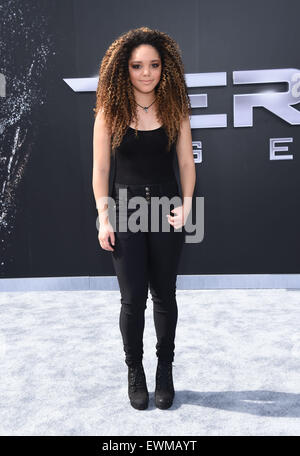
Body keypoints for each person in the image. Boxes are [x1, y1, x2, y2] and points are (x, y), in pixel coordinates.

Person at [92, 27, 196, 410]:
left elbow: (186, 162)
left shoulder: (176, 108)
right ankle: (134, 371)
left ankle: (164, 371)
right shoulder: (109, 111)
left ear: (164, 68)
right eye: (138, 65)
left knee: (165, 295)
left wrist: (186, 204)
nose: (147, 73)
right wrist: (104, 218)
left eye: (154, 65)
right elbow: (100, 171)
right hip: (124, 210)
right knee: (133, 299)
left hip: (166, 209)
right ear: (125, 68)